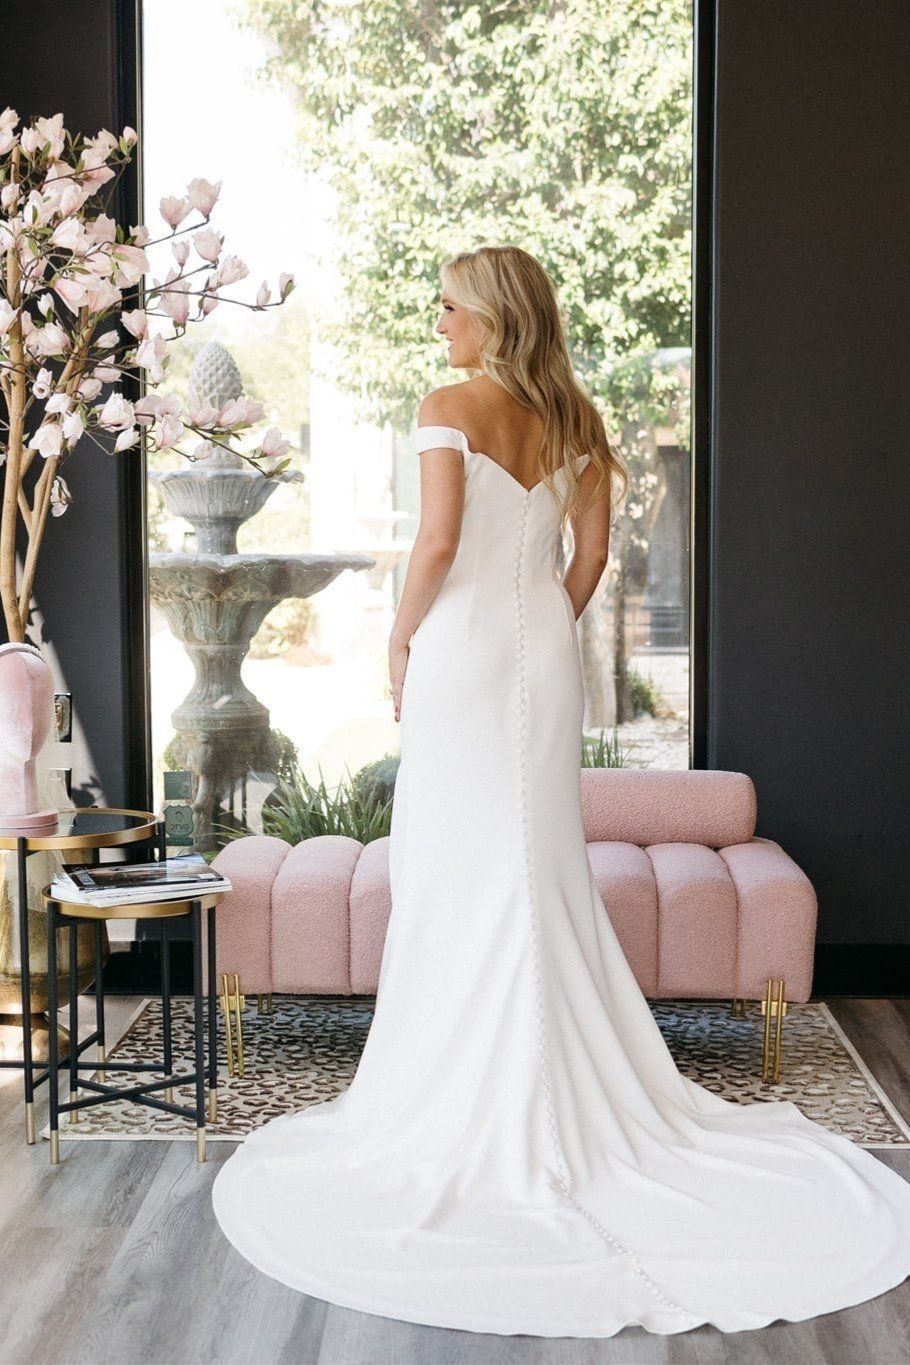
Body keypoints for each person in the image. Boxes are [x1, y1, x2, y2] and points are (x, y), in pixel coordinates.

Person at [212, 245, 910, 1337]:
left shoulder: (447, 405)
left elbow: (436, 542)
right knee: (533, 865)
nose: (438, 321)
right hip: (540, 654)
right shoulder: (577, 420)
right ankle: (567, 1094)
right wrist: (543, 620)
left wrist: (401, 642)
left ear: (492, 318)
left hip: (461, 655)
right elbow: (587, 565)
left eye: (449, 306)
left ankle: (467, 1094)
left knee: (453, 866)